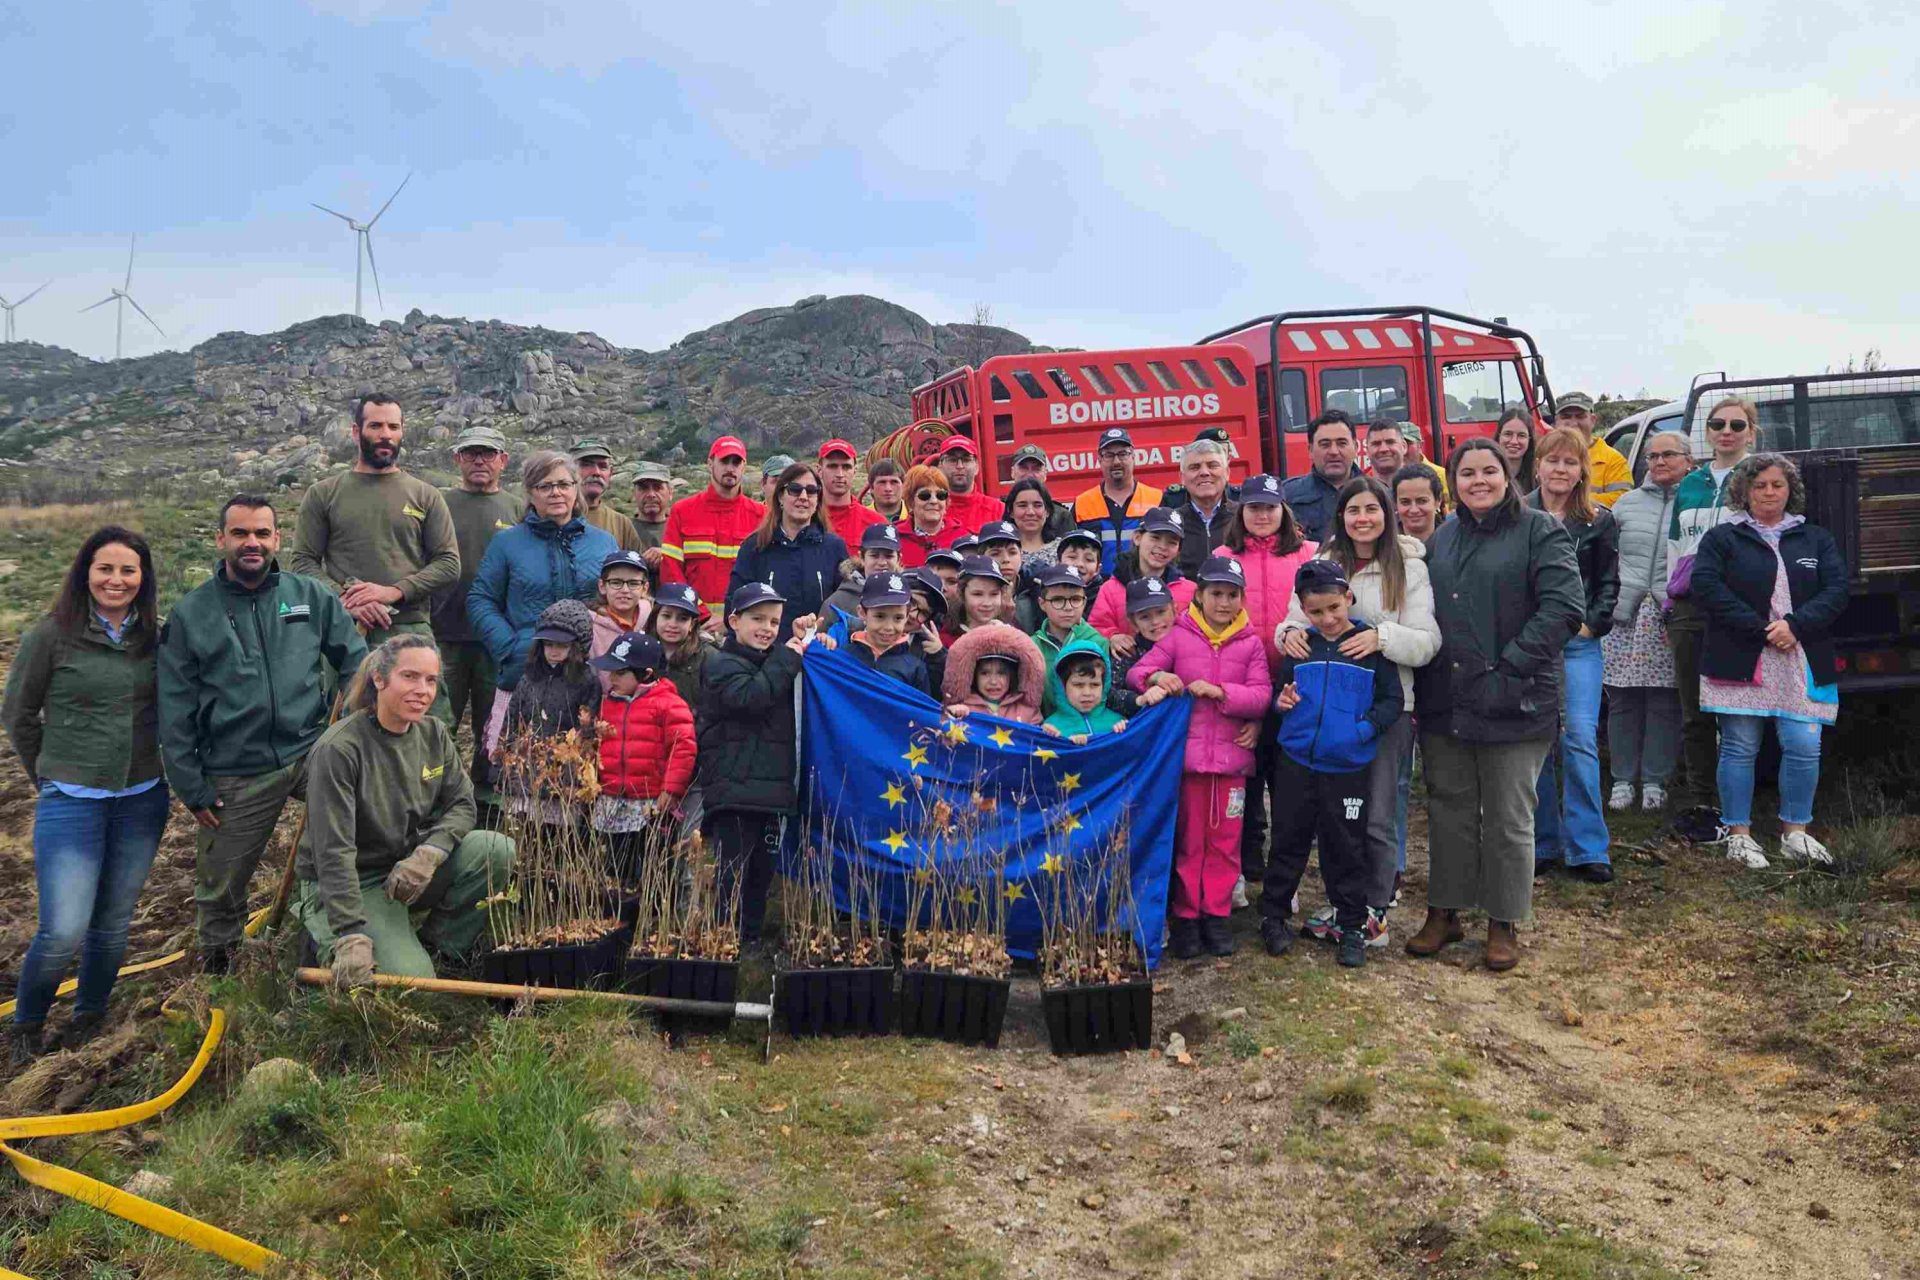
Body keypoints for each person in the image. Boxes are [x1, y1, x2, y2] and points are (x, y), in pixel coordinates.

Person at [157, 496, 366, 973]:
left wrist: (350, 730)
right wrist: (190, 785)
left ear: (277, 539)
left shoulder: (310, 596)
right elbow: (174, 709)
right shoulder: (192, 615)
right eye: (240, 534)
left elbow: (355, 659)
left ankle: (335, 931)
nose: (252, 543)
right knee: (222, 884)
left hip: (309, 751)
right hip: (236, 767)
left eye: (262, 534)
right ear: (220, 540)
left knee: (353, 835)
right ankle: (221, 971)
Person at [1408, 438, 1583, 972]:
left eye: (1489, 471)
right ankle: (1445, 911)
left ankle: (1503, 920)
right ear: (1453, 483)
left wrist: (1511, 668)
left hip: (1517, 699)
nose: (1478, 481)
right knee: (1449, 809)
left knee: (1509, 817)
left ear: (1508, 476)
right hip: (1450, 702)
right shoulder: (1442, 539)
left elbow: (1563, 608)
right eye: (1467, 473)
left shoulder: (1540, 531)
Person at [4, 528, 167, 1064]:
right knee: (63, 927)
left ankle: (90, 1016)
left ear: (143, 579)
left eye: (128, 570)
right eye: (106, 569)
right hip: (71, 801)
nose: (116, 580)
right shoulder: (51, 636)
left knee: (114, 922)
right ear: (86, 573)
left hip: (141, 798)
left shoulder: (155, 638)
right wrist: (49, 774)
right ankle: (26, 1025)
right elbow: (20, 715)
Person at [292, 635, 515, 984]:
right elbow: (333, 853)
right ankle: (336, 934)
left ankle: (441, 950)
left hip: (405, 868)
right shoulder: (339, 750)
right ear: (379, 679)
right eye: (409, 677)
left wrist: (429, 853)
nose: (422, 690)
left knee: (495, 849)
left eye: (430, 680)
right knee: (410, 983)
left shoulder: (433, 734)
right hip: (352, 878)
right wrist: (350, 932)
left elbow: (461, 803)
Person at [1279, 477, 1439, 945]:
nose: (1363, 518)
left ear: (1386, 514)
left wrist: (1381, 637)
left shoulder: (1408, 566)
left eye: (1372, 509)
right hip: (1325, 714)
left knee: (1379, 813)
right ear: (1341, 517)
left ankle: (1375, 909)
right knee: (1336, 817)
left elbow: (1428, 642)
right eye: (1353, 511)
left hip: (1384, 710)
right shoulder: (1323, 561)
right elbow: (1294, 618)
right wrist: (1284, 634)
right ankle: (1346, 904)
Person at [1692, 454, 1848, 869]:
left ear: (1790, 490)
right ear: (1743, 491)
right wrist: (1761, 628)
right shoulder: (1722, 538)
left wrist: (1795, 625)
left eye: (1777, 485)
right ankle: (1739, 834)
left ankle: (1795, 832)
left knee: (1803, 745)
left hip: (1802, 655)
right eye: (1759, 485)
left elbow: (1836, 590)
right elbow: (1705, 586)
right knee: (1740, 746)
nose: (1768, 492)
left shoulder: (1815, 539)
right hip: (1742, 653)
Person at [1261, 560, 1405, 968]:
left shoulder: (1368, 646)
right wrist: (1281, 703)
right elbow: (1280, 693)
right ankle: (1273, 917)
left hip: (1347, 766)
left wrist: (1362, 732)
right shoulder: (1299, 645)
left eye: (1333, 608)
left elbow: (1392, 700)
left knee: (1344, 846)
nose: (1326, 618)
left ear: (1348, 598)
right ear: (1303, 611)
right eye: (1316, 612)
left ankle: (1352, 926)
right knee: (1288, 840)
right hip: (1297, 761)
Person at [1129, 554, 1272, 959]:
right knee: (1191, 843)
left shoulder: (1251, 644)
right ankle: (1187, 917)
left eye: (1232, 595)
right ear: (1200, 595)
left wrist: (1222, 692)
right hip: (1189, 765)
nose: (1223, 603)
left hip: (1232, 769)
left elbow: (1262, 695)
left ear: (1242, 598)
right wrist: (1158, 676)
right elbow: (1137, 672)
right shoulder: (1179, 635)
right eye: (1216, 594)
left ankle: (1217, 915)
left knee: (1226, 844)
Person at [291, 392, 459, 718]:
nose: (385, 434)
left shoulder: (426, 495)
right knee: (349, 725)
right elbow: (302, 561)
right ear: (356, 432)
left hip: (410, 629)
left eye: (393, 427)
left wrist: (393, 592)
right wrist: (347, 599)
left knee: (427, 724)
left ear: (402, 431)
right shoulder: (324, 494)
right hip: (347, 631)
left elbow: (448, 563)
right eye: (376, 426)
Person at [467, 451, 620, 759]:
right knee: (518, 763)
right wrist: (510, 647)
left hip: (590, 674)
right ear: (530, 493)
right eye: (544, 485)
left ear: (576, 488)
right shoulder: (507, 543)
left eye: (564, 483)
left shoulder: (603, 543)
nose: (556, 492)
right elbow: (480, 599)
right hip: (526, 671)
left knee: (587, 763)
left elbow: (618, 601)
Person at [1526, 427, 1621, 883]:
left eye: (1570, 461)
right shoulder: (1517, 515)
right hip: (1530, 646)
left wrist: (1587, 625)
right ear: (1537, 465)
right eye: (1552, 460)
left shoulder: (1599, 520)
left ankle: (1587, 847)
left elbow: (1608, 585)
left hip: (1580, 646)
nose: (1560, 469)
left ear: (1583, 468)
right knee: (1538, 741)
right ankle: (1542, 842)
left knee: (1579, 738)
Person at [1221, 474, 1319, 900]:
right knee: (1242, 785)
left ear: (1284, 510)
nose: (1262, 515)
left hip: (1294, 682)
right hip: (1242, 683)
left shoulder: (1308, 554)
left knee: (1289, 788)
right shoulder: (1224, 555)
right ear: (1241, 512)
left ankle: (1286, 880)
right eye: (1253, 507)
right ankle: (1239, 870)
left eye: (1270, 507)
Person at [698, 581, 810, 944]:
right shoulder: (720, 662)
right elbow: (751, 696)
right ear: (734, 621)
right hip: (734, 791)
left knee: (760, 876)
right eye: (757, 619)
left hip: (771, 793)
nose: (767, 629)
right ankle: (721, 944)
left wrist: (811, 644)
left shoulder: (774, 661)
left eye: (774, 622)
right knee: (732, 874)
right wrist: (788, 656)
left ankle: (749, 946)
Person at [1666, 394, 1757, 813]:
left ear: (1750, 432)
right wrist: (1670, 598)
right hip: (1688, 608)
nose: (1726, 432)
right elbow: (1675, 546)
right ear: (1707, 432)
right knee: (1694, 711)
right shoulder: (1690, 482)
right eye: (1718, 424)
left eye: (1737, 425)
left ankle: (1742, 801)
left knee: (1739, 709)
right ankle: (1702, 800)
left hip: (1738, 607)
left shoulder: (1760, 477)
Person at [1605, 431, 1691, 812]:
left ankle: (1655, 780)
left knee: (1663, 700)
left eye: (1668, 455)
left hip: (1667, 614)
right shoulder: (1626, 504)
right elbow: (1606, 555)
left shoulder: (1695, 503)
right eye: (1653, 456)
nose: (1658, 462)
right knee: (1622, 699)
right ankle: (1623, 779)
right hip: (1626, 616)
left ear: (1688, 460)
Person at [435, 426, 521, 793]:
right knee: (439, 722)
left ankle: (485, 800)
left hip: (497, 639)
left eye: (488, 453)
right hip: (443, 634)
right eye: (471, 453)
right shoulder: (437, 503)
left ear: (503, 460)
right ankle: (440, 794)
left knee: (493, 725)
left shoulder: (519, 507)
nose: (480, 460)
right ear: (457, 459)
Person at [590, 631, 697, 884]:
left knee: (655, 869)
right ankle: (620, 918)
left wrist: (671, 789)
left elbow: (683, 748)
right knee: (615, 869)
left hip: (651, 805)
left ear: (646, 674)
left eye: (620, 672)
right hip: (612, 802)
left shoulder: (670, 704)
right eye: (611, 671)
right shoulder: (606, 703)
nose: (611, 677)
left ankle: (654, 918)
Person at [727, 459, 848, 644]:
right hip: (765, 657)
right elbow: (734, 606)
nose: (803, 496)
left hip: (818, 655)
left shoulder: (834, 548)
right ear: (780, 497)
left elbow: (847, 609)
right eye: (794, 489)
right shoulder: (755, 547)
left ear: (818, 499)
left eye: (812, 491)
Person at [660, 436, 767, 626]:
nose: (730, 468)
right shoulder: (682, 511)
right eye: (724, 461)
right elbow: (671, 570)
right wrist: (700, 614)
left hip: (741, 627)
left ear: (744, 466)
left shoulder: (761, 515)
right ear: (710, 464)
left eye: (736, 462)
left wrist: (732, 620)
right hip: (691, 623)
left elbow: (765, 576)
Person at [648, 581, 716, 837]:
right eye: (666, 616)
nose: (673, 624)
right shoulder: (643, 654)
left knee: (687, 843)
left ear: (693, 625)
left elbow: (713, 712)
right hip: (651, 765)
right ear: (655, 616)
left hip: (694, 766)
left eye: (682, 618)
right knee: (652, 844)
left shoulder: (708, 657)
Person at [499, 600, 601, 759]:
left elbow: (587, 732)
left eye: (562, 646)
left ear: (577, 647)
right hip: (527, 763)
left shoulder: (587, 682)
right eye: (548, 644)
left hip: (567, 765)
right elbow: (512, 721)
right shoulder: (530, 677)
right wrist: (503, 760)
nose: (554, 652)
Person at [1088, 507, 1191, 655]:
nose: (1162, 547)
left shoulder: (1189, 591)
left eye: (1172, 542)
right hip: (1126, 670)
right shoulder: (1110, 588)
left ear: (1178, 550)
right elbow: (1094, 629)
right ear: (1137, 538)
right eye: (1155, 537)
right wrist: (1112, 637)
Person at [1072, 427, 1164, 574]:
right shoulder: (1082, 504)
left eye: (1122, 454)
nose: (1116, 461)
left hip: (1144, 587)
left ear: (1133, 456)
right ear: (1099, 459)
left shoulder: (1157, 499)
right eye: (1109, 455)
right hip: (1098, 590)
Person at [1030, 563, 1107, 714]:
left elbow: (1104, 695)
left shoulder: (1097, 643)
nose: (1068, 607)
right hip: (1047, 728)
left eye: (1075, 599)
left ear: (1084, 602)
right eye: (1058, 600)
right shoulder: (1032, 645)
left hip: (1088, 728)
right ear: (1042, 603)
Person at [1107, 577, 1183, 719]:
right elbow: (1109, 695)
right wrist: (1138, 700)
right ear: (1133, 623)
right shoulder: (1127, 652)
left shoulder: (1190, 644)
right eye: (1145, 617)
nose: (1155, 622)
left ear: (1174, 609)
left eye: (1161, 612)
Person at [942, 624, 1046, 724]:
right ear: (972, 676)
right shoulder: (962, 707)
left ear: (1013, 676)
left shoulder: (1028, 711)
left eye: (1001, 673)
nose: (993, 681)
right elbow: (940, 735)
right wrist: (951, 715)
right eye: (985, 673)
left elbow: (1038, 738)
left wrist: (1049, 733)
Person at [1282, 412, 1362, 541]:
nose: (1334, 452)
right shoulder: (1287, 495)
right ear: (1310, 450)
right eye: (1325, 444)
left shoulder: (1378, 493)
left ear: (1356, 447)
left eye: (1342, 443)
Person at [845, 573, 932, 692]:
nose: (889, 627)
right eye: (880, 616)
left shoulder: (915, 668)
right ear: (862, 613)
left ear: (906, 617)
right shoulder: (843, 655)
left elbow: (921, 708)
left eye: (898, 618)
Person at [1165, 439, 1238, 575]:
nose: (1204, 472)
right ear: (1182, 477)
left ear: (1227, 472)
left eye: (1212, 465)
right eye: (1195, 467)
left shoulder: (1244, 519)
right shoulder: (1169, 524)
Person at [1550, 392, 1633, 509]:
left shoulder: (1614, 460)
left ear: (1593, 420)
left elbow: (1624, 500)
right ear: (1556, 421)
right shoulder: (1542, 455)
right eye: (1566, 417)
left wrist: (1572, 500)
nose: (1573, 423)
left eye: (1580, 416)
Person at [590, 550, 655, 686]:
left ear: (645, 588)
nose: (625, 590)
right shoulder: (590, 625)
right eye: (616, 582)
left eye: (633, 583)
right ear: (602, 586)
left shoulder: (654, 619)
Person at [1043, 644, 1130, 744]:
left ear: (1104, 685)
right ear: (1062, 686)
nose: (1087, 693)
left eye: (1095, 684)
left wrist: (1126, 733)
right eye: (1078, 685)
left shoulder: (1117, 722)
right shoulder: (1051, 728)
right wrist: (1061, 743)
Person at [825, 522, 904, 628]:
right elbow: (821, 640)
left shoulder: (908, 597)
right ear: (861, 557)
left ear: (899, 559)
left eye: (889, 556)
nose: (882, 563)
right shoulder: (838, 602)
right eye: (874, 555)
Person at [572, 439, 644, 553]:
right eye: (586, 465)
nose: (596, 472)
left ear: (610, 473)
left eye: (602, 466)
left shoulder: (622, 524)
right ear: (570, 471)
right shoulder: (556, 517)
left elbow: (636, 567)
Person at [819, 438, 886, 548]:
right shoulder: (805, 520)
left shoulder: (876, 523)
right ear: (819, 470)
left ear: (854, 471)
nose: (840, 474)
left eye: (846, 467)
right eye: (832, 466)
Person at [895, 464, 966, 567]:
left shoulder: (962, 539)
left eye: (940, 495)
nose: (933, 501)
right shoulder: (894, 538)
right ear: (910, 501)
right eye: (925, 495)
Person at [1007, 443, 1079, 538]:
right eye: (1023, 468)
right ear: (1012, 472)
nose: (1030, 474)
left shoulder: (1062, 516)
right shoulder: (1001, 510)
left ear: (1045, 473)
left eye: (1036, 469)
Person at [933, 436, 1002, 534]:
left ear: (977, 466)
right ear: (940, 466)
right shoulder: (931, 509)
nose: (960, 466)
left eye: (966, 460)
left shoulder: (998, 510)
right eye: (952, 460)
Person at [1003, 478, 1062, 574]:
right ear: (1011, 512)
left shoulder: (1062, 550)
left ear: (1047, 511)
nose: (1030, 512)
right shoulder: (1001, 552)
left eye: (1037, 505)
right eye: (1022, 505)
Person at [948, 556, 1014, 640]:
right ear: (962, 593)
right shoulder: (946, 639)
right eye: (977, 594)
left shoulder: (1011, 634)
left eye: (994, 594)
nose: (987, 603)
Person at [630, 461, 675, 563]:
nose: (651, 494)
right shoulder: (624, 528)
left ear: (670, 492)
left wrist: (667, 556)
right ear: (634, 494)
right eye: (643, 488)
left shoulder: (681, 529)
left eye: (657, 487)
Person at [1393, 467, 1447, 546]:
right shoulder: (1384, 546)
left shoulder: (1454, 541)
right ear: (1395, 504)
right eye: (1405, 502)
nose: (1414, 510)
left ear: (1438, 501)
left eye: (1422, 501)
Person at [1495, 409, 1538, 496]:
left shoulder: (1538, 478)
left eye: (1521, 435)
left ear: (1530, 440)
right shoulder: (1486, 474)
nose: (1514, 441)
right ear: (1499, 436)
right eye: (1508, 434)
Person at [865, 458, 907, 524]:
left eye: (894, 482)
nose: (888, 488)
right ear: (871, 488)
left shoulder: (917, 518)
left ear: (904, 486)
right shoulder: (859, 519)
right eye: (882, 482)